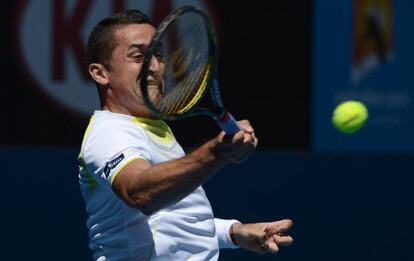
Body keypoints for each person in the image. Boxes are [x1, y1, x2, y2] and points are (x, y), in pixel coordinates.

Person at [78, 9, 293, 261]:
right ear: (100, 73)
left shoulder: (153, 129)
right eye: (138, 57)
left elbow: (171, 218)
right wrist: (216, 152)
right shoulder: (110, 132)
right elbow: (140, 194)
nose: (155, 67)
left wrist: (233, 232)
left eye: (158, 55)